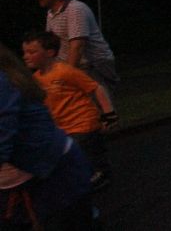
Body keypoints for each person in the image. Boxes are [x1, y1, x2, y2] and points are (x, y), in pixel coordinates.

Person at [1, 42, 94, 229]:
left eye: (32, 51)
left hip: (55, 168)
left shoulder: (4, 83)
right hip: (36, 168)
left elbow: (4, 131)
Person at [23, 31, 117, 191]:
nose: (26, 56)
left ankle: (100, 178)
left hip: (83, 124)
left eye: (32, 52)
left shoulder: (65, 71)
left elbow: (96, 88)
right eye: (25, 52)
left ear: (50, 52)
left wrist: (109, 114)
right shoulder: (36, 78)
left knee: (90, 158)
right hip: (62, 128)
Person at [35, 0, 119, 101]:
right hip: (76, 66)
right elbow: (53, 44)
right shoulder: (51, 13)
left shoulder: (75, 9)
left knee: (97, 105)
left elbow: (77, 46)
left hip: (92, 65)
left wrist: (67, 76)